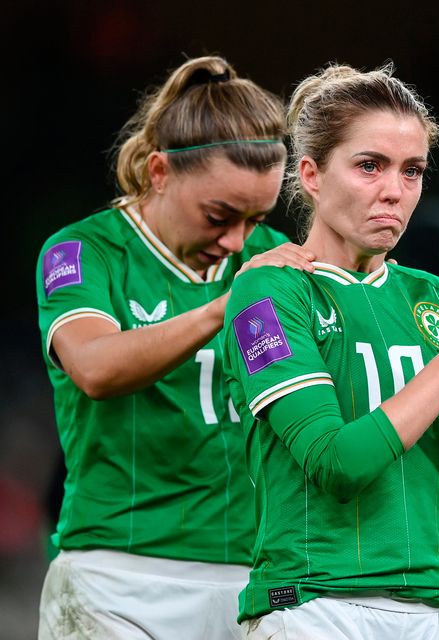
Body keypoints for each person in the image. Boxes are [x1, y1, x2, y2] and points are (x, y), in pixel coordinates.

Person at [223, 63, 439, 639]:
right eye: (370, 166)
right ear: (312, 175)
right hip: (311, 603)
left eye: (411, 170)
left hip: (431, 608)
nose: (394, 189)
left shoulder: (436, 300)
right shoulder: (268, 290)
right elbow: (337, 463)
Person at [35, 55, 314, 640]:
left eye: (256, 217)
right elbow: (94, 367)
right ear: (160, 172)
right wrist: (223, 306)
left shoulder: (272, 253)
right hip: (119, 576)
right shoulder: (83, 252)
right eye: (218, 214)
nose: (237, 239)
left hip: (255, 576)